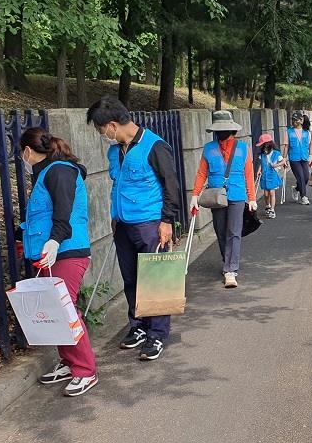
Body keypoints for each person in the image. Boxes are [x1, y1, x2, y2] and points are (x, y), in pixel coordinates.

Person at [86, 96, 182, 362]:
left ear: (113, 125)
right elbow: (117, 185)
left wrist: (166, 221)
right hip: (123, 225)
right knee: (131, 279)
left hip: (150, 223)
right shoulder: (116, 151)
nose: (102, 135)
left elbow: (170, 186)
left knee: (155, 279)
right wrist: (114, 216)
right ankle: (138, 326)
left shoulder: (155, 146)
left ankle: (157, 334)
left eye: (101, 129)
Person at [18, 127, 98, 396]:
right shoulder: (47, 173)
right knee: (56, 311)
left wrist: (54, 240)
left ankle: (85, 370)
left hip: (66, 252)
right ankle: (69, 362)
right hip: (51, 254)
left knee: (65, 310)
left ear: (28, 151)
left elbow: (63, 212)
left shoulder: (59, 171)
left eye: (22, 154)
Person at [191, 111, 257, 288]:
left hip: (237, 194)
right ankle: (227, 261)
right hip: (216, 196)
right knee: (220, 232)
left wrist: (252, 198)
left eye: (225, 129)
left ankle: (230, 270)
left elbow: (248, 174)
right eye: (219, 130)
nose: (222, 133)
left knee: (234, 232)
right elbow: (201, 173)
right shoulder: (208, 148)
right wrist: (195, 195)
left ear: (232, 129)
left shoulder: (243, 148)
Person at [256, 133, 287, 219]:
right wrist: (259, 171)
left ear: (268, 144)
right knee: (266, 194)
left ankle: (272, 209)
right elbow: (261, 164)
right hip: (264, 175)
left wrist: (276, 165)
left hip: (272, 175)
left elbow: (283, 161)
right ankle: (268, 205)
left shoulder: (276, 153)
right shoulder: (262, 154)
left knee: (272, 192)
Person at [283, 112, 311, 205]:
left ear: (301, 121)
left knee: (306, 177)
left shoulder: (306, 132)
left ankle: (296, 189)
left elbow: (310, 145)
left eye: (296, 120)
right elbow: (286, 146)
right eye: (293, 120)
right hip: (294, 158)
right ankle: (303, 196)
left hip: (304, 157)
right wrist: (284, 158)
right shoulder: (289, 131)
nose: (294, 121)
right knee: (300, 177)